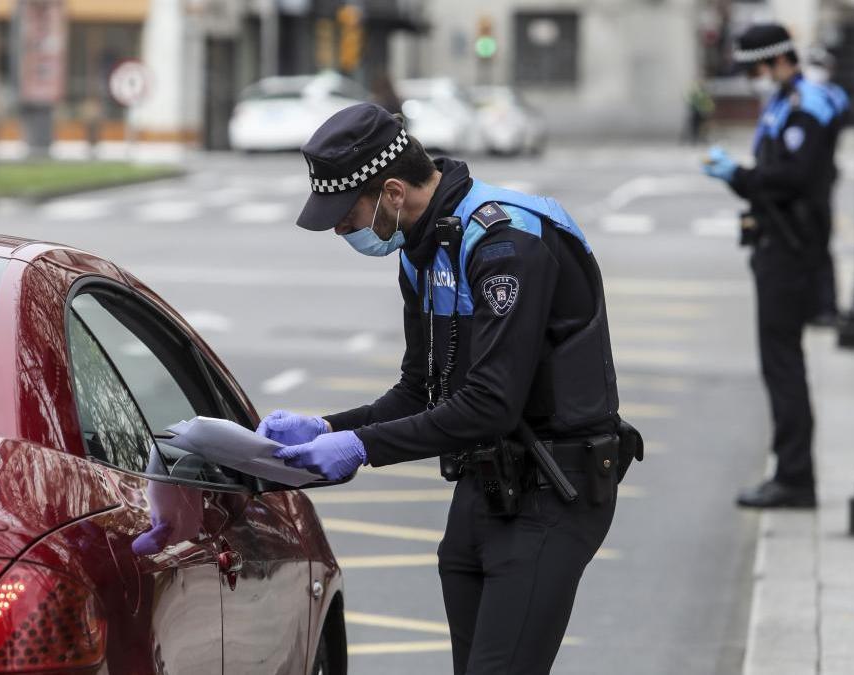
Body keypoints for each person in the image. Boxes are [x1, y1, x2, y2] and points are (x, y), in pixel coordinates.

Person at [258, 102, 632, 674]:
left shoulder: (507, 242)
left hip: (555, 490)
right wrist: (331, 427)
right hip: (488, 487)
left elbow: (492, 404)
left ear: (391, 191)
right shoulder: (422, 252)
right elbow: (420, 388)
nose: (339, 228)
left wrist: (362, 449)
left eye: (345, 214)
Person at [702, 23, 838, 509]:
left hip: (791, 250)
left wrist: (740, 173)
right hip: (777, 245)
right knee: (780, 364)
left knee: (784, 366)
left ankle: (795, 477)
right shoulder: (785, 102)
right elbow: (770, 182)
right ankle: (791, 471)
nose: (753, 77)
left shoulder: (808, 106)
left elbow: (793, 179)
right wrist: (737, 178)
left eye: (756, 68)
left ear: (779, 59)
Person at [805, 47, 850, 326]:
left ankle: (825, 306)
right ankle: (815, 305)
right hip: (816, 180)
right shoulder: (814, 95)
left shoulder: (829, 97)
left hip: (819, 181)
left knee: (819, 244)